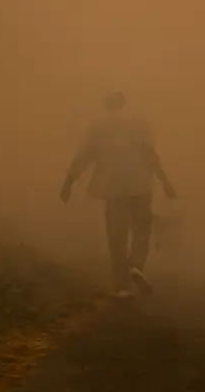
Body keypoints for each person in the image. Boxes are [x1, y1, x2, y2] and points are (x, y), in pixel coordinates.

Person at [60, 90, 177, 298]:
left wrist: (68, 182)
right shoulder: (137, 125)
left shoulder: (98, 128)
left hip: (114, 188)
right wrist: (165, 181)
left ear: (106, 104)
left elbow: (84, 156)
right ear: (123, 104)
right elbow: (151, 155)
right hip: (141, 186)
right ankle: (136, 266)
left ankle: (122, 284)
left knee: (116, 234)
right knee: (142, 229)